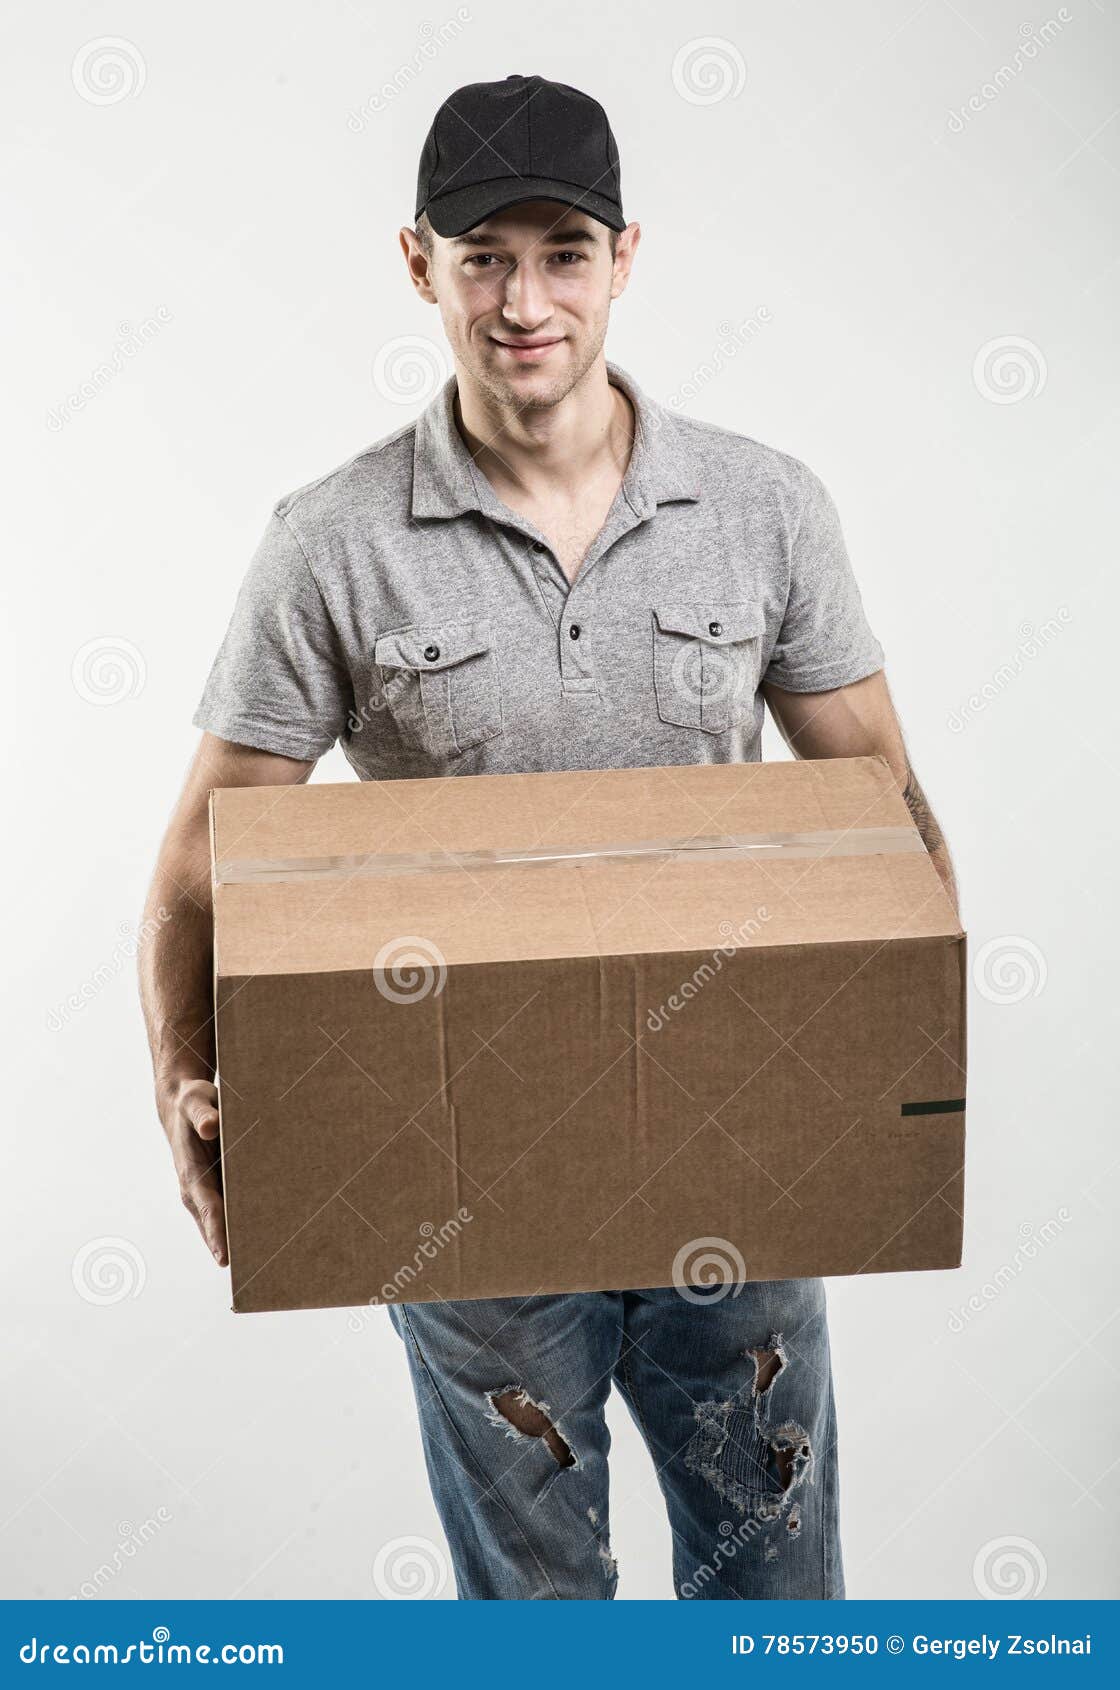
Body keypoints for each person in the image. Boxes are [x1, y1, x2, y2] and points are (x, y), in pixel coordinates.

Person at [139, 74, 958, 1600]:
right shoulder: (332, 542)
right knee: (532, 1619)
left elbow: (884, 810)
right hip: (468, 1185)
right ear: (416, 264)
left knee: (775, 1595)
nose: (526, 301)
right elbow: (205, 857)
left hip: (741, 1155)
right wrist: (187, 1083)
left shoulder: (766, 509)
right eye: (483, 258)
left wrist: (906, 1085)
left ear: (627, 257)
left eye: (564, 251)